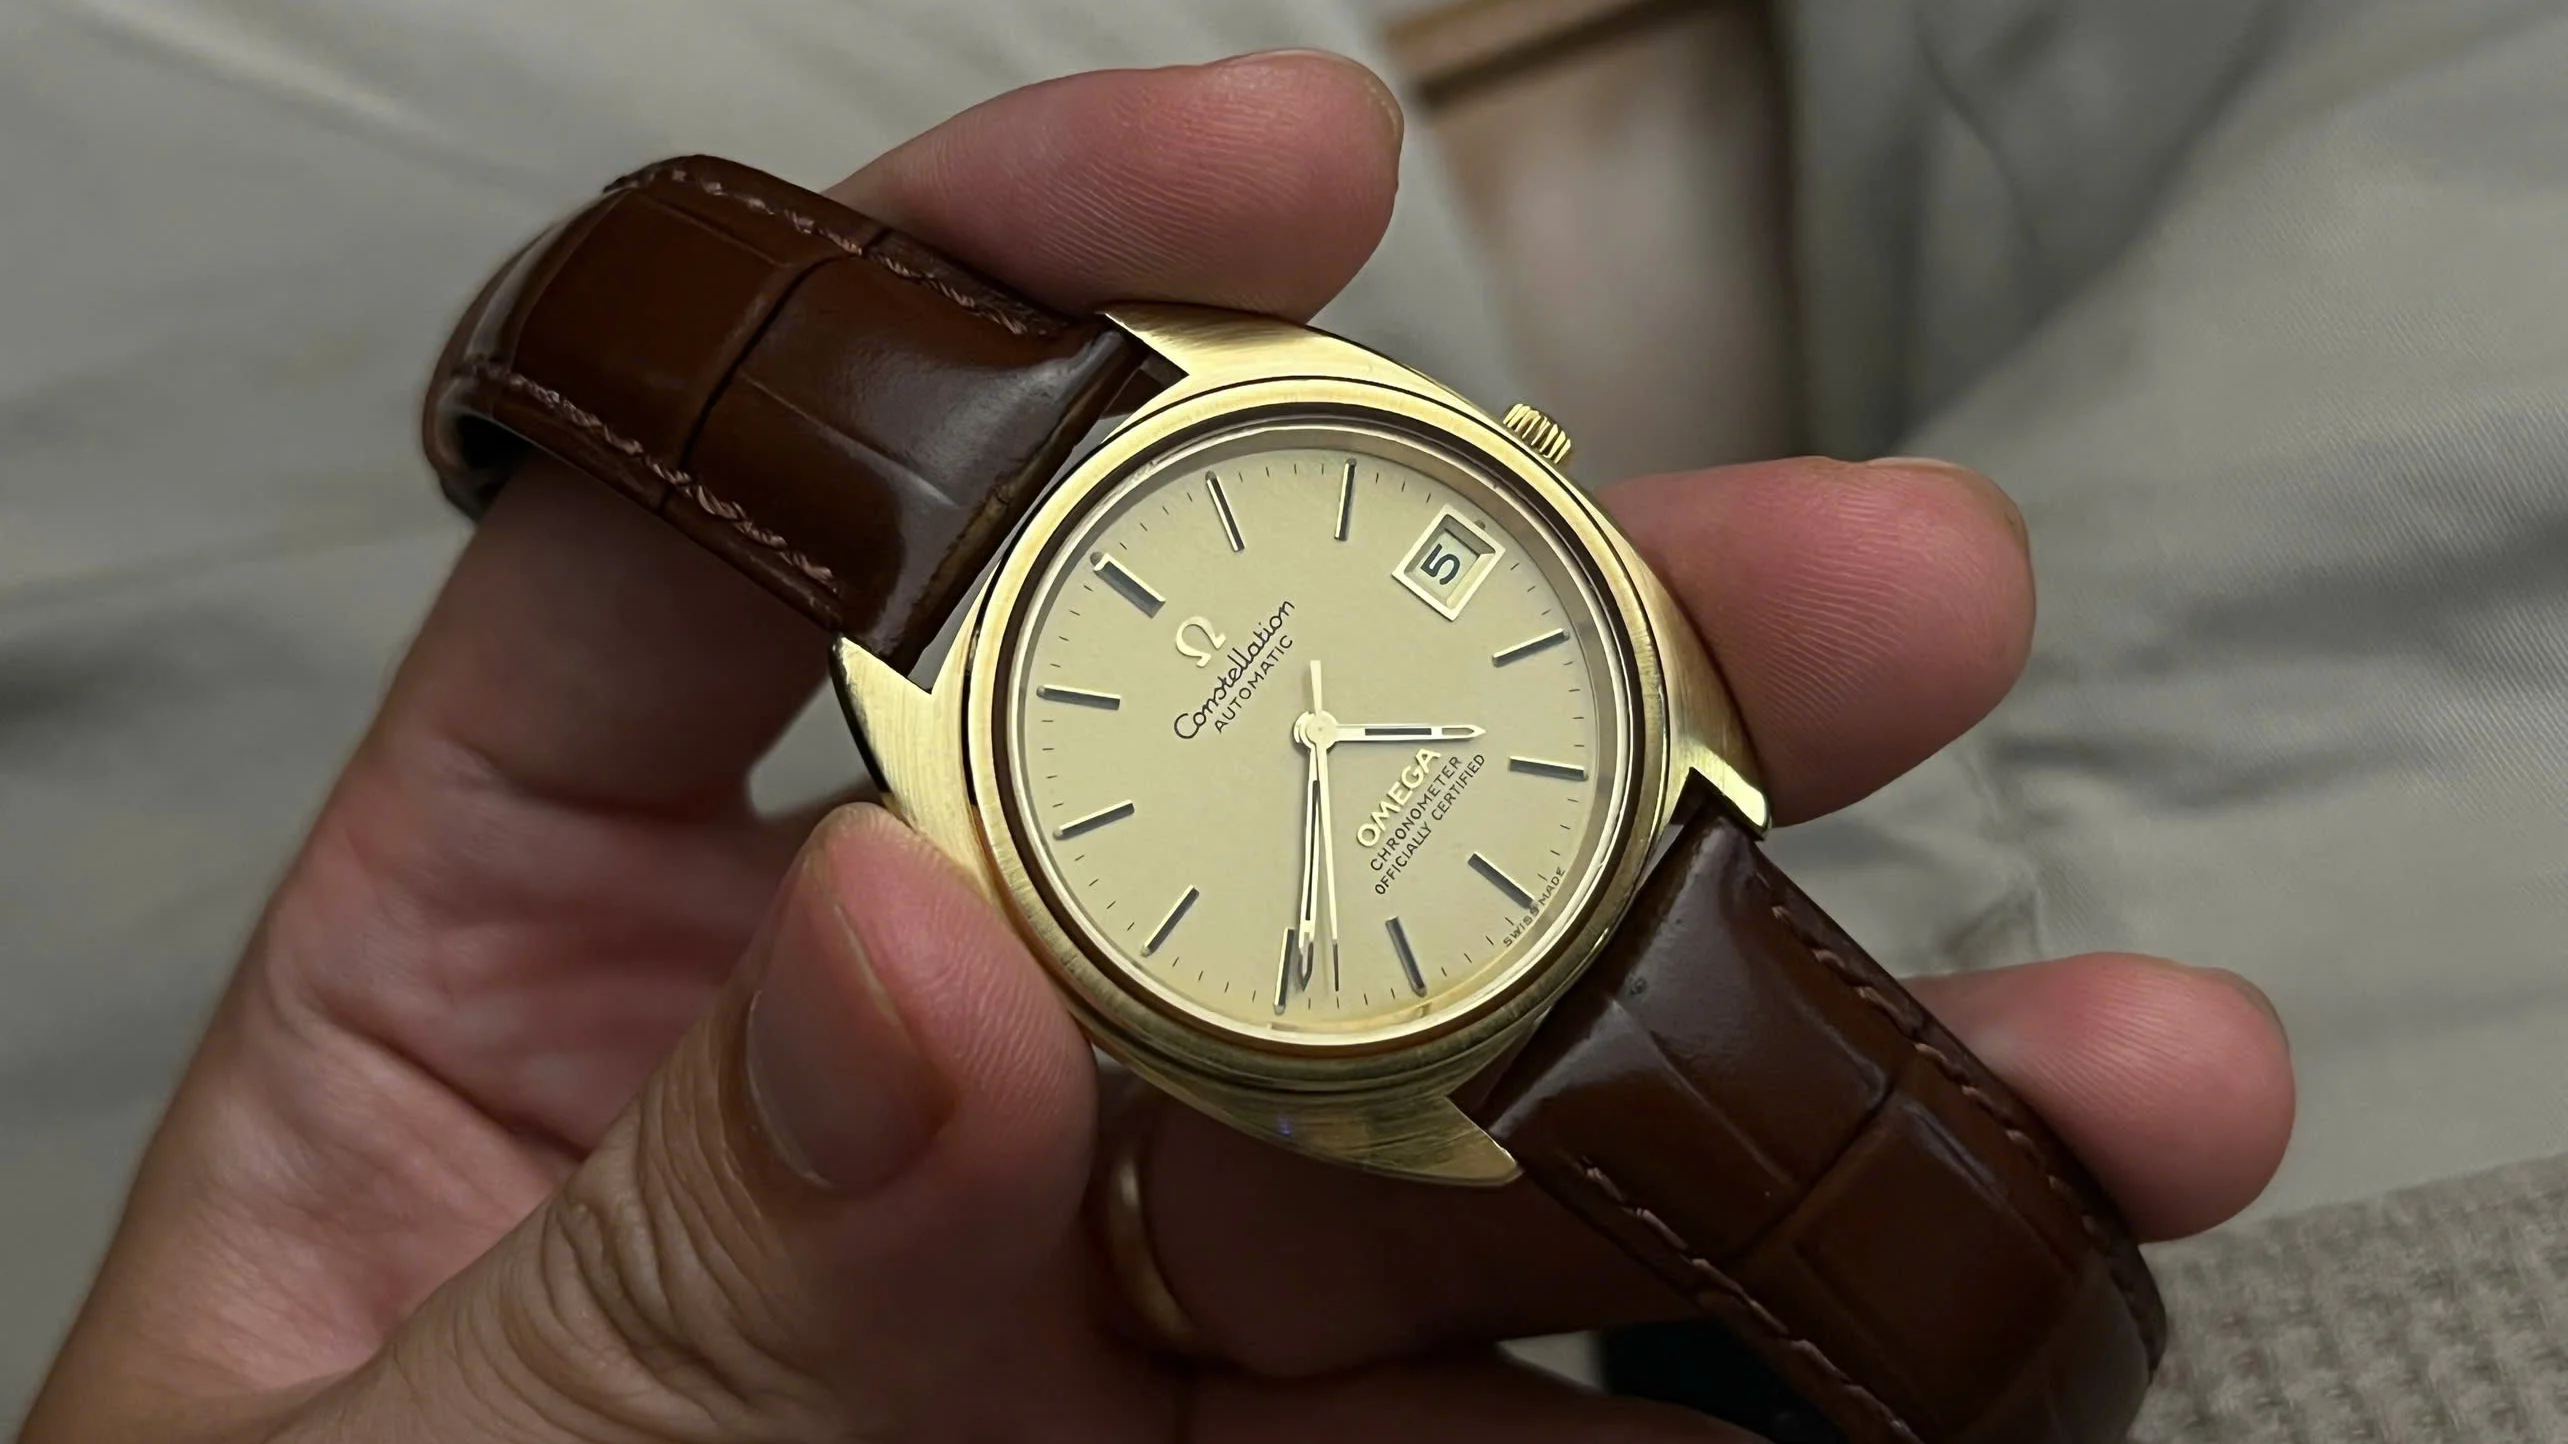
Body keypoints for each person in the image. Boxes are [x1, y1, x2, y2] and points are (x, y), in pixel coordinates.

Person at [16, 55, 2292, 1442]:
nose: (1307, 721)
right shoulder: (972, 756)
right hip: (1397, 921)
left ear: (1501, 477)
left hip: (1543, 850)